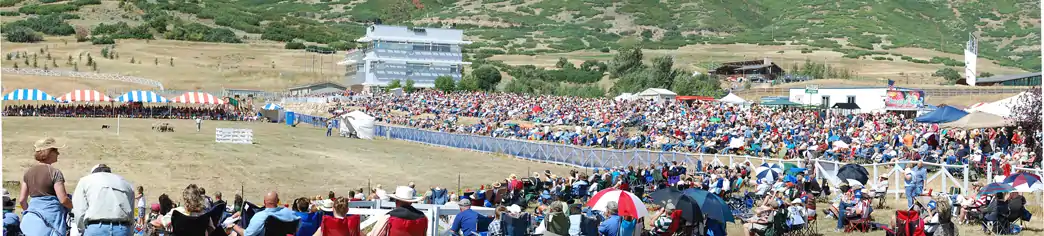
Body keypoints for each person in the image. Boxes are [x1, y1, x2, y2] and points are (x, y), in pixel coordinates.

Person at [20, 137, 73, 236]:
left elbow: (22, 200)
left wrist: (30, 213)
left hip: (31, 221)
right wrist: (75, 208)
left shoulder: (27, 173)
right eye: (55, 150)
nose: (58, 153)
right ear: (48, 152)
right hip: (51, 220)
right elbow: (63, 200)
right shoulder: (55, 173)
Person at [72, 164, 136, 236]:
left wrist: (82, 228)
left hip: (95, 227)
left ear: (94, 173)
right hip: (122, 228)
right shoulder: (126, 183)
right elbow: (131, 212)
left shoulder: (85, 180)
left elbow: (79, 210)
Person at [229, 191, 300, 236]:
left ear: (264, 202)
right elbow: (297, 225)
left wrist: (233, 226)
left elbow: (247, 234)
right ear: (278, 201)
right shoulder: (290, 213)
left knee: (232, 233)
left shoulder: (260, 216)